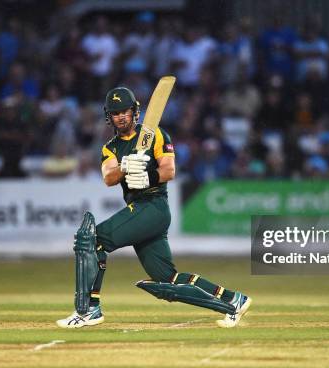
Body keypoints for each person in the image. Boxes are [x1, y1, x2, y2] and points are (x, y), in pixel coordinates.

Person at [57, 86, 251, 329]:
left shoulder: (156, 135)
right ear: (110, 116)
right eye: (116, 113)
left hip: (154, 206)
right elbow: (109, 177)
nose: (121, 117)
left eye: (125, 111)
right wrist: (126, 166)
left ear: (134, 112)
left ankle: (89, 309)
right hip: (140, 210)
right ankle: (234, 300)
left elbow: (169, 170)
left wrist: (148, 176)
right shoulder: (111, 148)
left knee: (93, 239)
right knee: (167, 281)